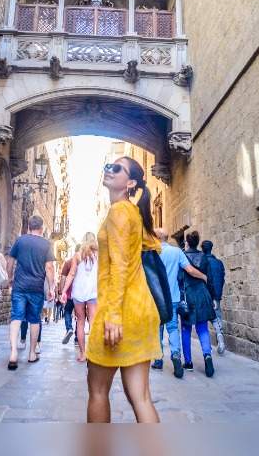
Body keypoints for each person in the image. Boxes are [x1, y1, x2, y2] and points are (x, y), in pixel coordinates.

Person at [86, 156, 162, 423]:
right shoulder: (134, 212)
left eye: (117, 168)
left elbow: (119, 264)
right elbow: (151, 245)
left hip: (118, 313)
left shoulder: (118, 211)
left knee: (97, 392)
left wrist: (114, 315)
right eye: (108, 165)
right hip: (141, 312)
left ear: (129, 182)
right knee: (140, 398)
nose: (109, 170)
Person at [151, 228, 208, 378]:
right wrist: (204, 277)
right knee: (173, 327)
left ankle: (158, 360)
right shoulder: (176, 252)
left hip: (156, 298)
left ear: (156, 238)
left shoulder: (151, 253)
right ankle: (176, 355)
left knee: (158, 328)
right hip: (174, 297)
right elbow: (189, 269)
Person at [6, 215, 55, 370]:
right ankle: (32, 353)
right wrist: (52, 288)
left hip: (20, 286)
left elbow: (10, 261)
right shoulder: (46, 244)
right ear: (42, 228)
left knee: (16, 317)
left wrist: (9, 278)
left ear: (28, 227)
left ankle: (13, 352)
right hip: (36, 288)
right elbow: (49, 268)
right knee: (34, 319)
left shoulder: (20, 241)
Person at [180, 230, 216, 377]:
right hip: (202, 294)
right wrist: (213, 297)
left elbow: (179, 279)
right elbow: (210, 279)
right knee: (202, 328)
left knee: (186, 329)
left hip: (188, 295)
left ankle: (188, 362)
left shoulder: (183, 257)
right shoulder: (203, 257)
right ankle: (207, 356)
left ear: (187, 243)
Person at [61, 232, 99, 362]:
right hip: (93, 292)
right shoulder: (99, 255)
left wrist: (64, 291)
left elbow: (71, 274)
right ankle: (93, 354)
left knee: (80, 322)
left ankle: (83, 354)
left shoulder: (77, 256)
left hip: (78, 293)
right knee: (93, 323)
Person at [202, 239, 226, 355]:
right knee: (216, 317)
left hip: (205, 294)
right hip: (216, 295)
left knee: (202, 320)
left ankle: (206, 348)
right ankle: (219, 334)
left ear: (202, 249)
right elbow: (222, 279)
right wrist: (217, 295)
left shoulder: (202, 262)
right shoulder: (219, 263)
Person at [59, 246, 79, 345]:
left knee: (67, 311)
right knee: (80, 317)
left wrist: (62, 291)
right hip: (81, 294)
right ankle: (77, 338)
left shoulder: (68, 262)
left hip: (70, 293)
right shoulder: (85, 262)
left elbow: (63, 278)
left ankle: (69, 328)